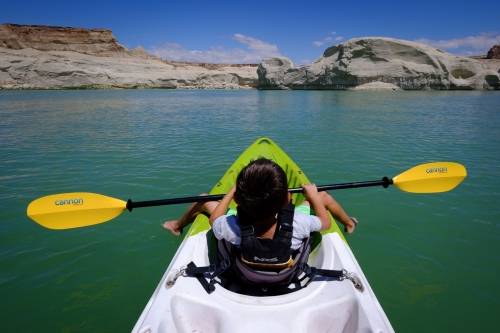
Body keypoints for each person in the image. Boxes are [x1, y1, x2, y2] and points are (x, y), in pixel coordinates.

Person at [163, 159, 358, 248]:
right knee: (324, 196)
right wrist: (314, 196)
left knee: (204, 198)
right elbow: (326, 222)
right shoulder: (298, 223)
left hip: (245, 254)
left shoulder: (229, 227)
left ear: (238, 199)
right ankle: (349, 223)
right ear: (287, 200)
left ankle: (177, 226)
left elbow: (215, 218)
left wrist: (231, 192)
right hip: (284, 267)